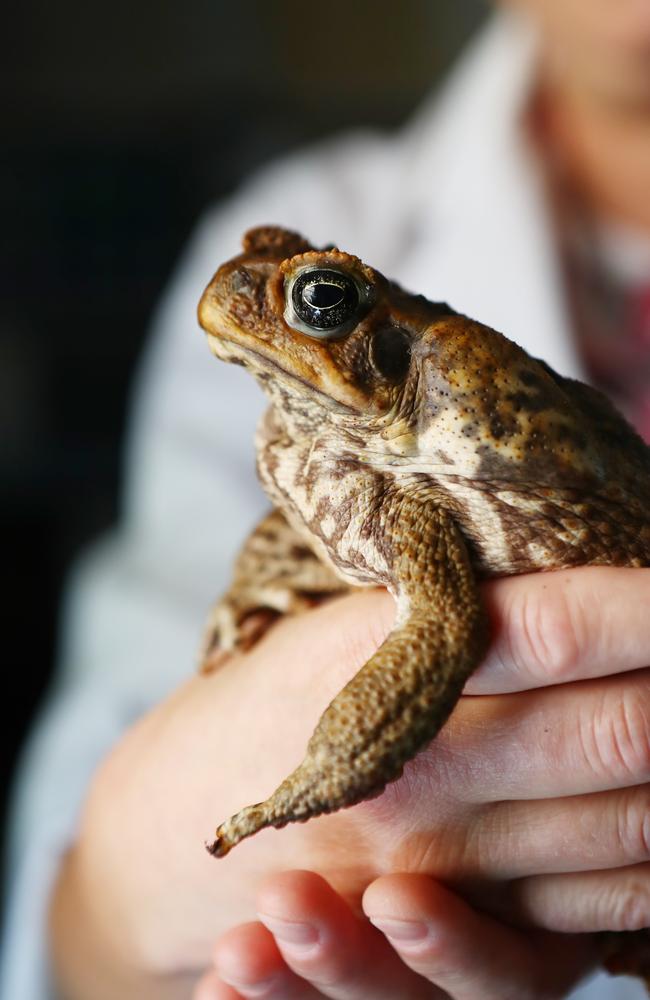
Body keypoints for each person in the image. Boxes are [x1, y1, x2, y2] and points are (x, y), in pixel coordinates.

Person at [2, 1, 649, 998]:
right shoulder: (327, 382)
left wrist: (315, 777)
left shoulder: (412, 477)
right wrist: (129, 875)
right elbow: (89, 841)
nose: (249, 295)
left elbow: (436, 628)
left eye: (317, 302)